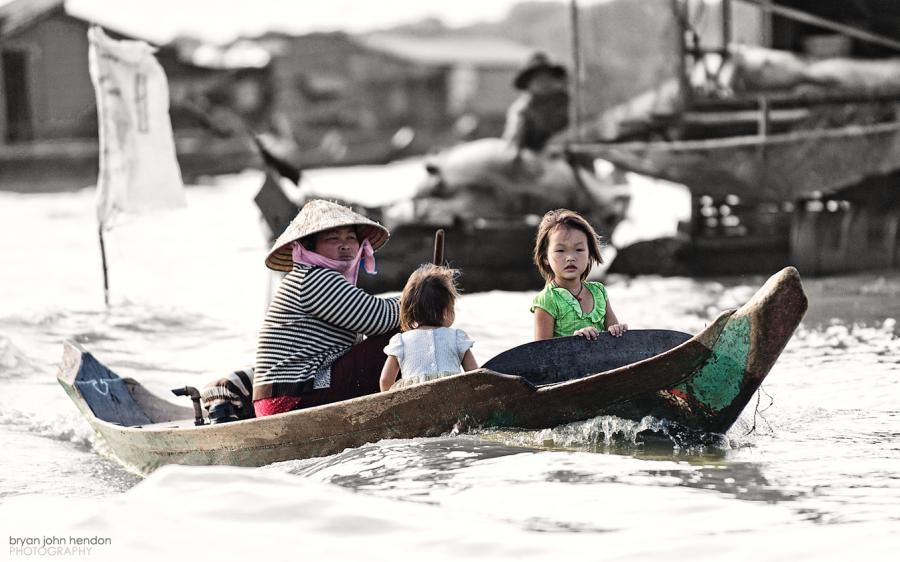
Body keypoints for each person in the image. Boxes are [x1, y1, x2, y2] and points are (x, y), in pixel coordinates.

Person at [253, 199, 401, 417]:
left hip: (293, 393)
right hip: (292, 398)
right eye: (333, 239)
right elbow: (380, 318)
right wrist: (421, 294)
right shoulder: (313, 278)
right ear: (310, 247)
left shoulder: (315, 277)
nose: (345, 245)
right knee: (402, 337)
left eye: (351, 238)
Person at [531, 209, 627, 341]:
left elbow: (616, 341)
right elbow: (540, 354)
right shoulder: (547, 300)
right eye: (560, 250)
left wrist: (617, 330)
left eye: (579, 249)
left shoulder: (599, 292)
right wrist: (574, 342)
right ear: (545, 257)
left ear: (590, 254)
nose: (570, 257)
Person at [379, 264, 478, 391]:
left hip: (414, 402)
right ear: (445, 311)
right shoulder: (457, 338)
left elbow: (385, 380)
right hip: (452, 399)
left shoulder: (401, 341)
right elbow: (475, 375)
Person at [502, 52, 571, 157]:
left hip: (568, 155)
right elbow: (513, 141)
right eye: (538, 79)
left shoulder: (569, 103)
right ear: (528, 84)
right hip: (535, 160)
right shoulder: (522, 109)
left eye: (548, 78)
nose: (545, 83)